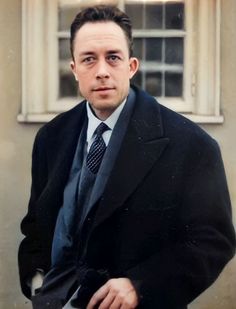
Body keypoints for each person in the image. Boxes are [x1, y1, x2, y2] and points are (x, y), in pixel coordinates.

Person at [18, 5, 235, 309]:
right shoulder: (51, 137)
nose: (102, 70)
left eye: (113, 57)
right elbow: (36, 226)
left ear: (132, 66)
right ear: (74, 69)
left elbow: (213, 241)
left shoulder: (191, 145)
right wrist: (37, 281)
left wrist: (139, 285)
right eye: (89, 59)